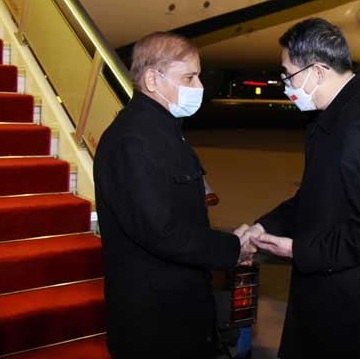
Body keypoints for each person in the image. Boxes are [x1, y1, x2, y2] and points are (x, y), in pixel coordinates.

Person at [239, 18, 360, 358]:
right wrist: (265, 226)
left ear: (317, 72)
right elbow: (314, 196)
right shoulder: (330, 117)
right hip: (327, 295)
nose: (285, 85)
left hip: (354, 315)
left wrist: (299, 251)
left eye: (288, 74)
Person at [94, 32, 253, 359]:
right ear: (152, 79)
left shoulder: (164, 130)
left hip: (181, 304)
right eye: (189, 77)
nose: (199, 87)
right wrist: (231, 248)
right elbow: (161, 232)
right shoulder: (132, 142)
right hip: (154, 321)